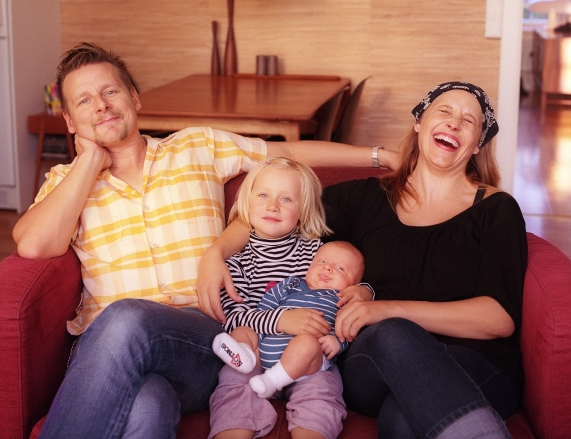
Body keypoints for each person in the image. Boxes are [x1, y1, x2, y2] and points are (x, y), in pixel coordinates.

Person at [11, 42, 398, 439]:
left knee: (127, 317)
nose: (101, 106)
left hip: (198, 343)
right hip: (108, 353)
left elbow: (287, 151)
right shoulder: (66, 182)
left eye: (110, 91)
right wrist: (89, 162)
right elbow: (33, 245)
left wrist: (382, 157)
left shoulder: (196, 147)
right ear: (69, 120)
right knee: (149, 403)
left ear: (134, 98)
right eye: (84, 100)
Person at [199, 81, 527, 438]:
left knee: (402, 421)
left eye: (469, 121)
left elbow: (498, 319)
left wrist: (385, 308)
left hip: (476, 363)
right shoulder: (363, 199)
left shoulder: (497, 209)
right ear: (419, 121)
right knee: (393, 334)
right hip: (374, 361)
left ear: (478, 143)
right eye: (444, 112)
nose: (454, 123)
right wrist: (217, 253)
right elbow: (273, 212)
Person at [207, 158, 371, 439]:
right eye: (263, 195)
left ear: (303, 210)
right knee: (235, 375)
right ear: (246, 201)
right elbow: (231, 316)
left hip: (309, 359)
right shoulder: (237, 261)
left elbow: (348, 271)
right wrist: (281, 320)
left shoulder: (316, 252)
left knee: (321, 391)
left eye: (286, 199)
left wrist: (365, 291)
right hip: (256, 356)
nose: (273, 206)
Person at [214, 241, 365, 399]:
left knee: (307, 342)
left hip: (306, 362)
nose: (327, 267)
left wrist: (337, 342)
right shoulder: (290, 284)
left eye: (340, 268)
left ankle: (272, 380)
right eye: (322, 261)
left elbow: (349, 329)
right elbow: (263, 311)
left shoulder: (343, 300)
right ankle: (244, 356)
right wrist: (258, 335)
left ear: (354, 285)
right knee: (243, 331)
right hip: (264, 353)